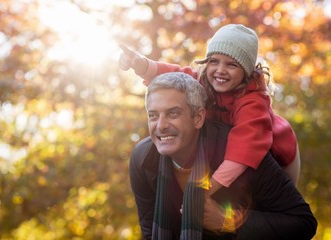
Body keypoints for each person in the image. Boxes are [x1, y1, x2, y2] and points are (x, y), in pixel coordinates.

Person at [129, 71, 317, 240]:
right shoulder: (142, 158)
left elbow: (303, 223)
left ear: (198, 118)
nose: (160, 125)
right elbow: (149, 228)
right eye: (153, 115)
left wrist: (227, 222)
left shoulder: (241, 155)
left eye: (173, 113)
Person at [120, 24, 300, 198]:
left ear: (246, 71)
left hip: (280, 151)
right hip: (231, 147)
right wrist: (141, 64)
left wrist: (208, 189)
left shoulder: (253, 101)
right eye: (214, 61)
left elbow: (244, 150)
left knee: (278, 198)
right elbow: (173, 75)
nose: (220, 70)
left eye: (231, 65)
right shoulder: (202, 80)